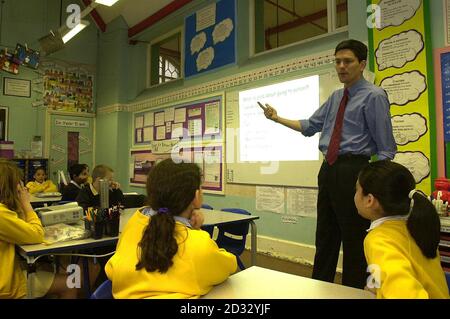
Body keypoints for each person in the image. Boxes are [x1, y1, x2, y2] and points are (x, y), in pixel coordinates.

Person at [262, 39, 397, 288]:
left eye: (348, 61)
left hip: (355, 171)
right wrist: (276, 118)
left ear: (362, 64)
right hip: (328, 169)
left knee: (354, 238)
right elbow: (309, 126)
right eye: (337, 61)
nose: (341, 67)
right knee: (325, 235)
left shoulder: (374, 96)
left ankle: (352, 291)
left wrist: (370, 183)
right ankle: (320, 287)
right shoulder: (336, 97)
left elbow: (386, 149)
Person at [105, 159, 237, 298]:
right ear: (196, 197)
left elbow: (111, 269)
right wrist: (195, 231)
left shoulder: (135, 222)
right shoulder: (197, 244)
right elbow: (229, 265)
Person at [355, 160, 449, 298]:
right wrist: (381, 289)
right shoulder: (417, 226)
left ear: (369, 200)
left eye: (356, 190)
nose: (355, 195)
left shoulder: (379, 240)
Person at [0, 160, 77, 299]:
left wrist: (19, 205)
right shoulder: (1, 214)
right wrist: (26, 204)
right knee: (70, 283)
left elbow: (21, 226)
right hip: (6, 285)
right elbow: (36, 234)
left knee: (45, 268)